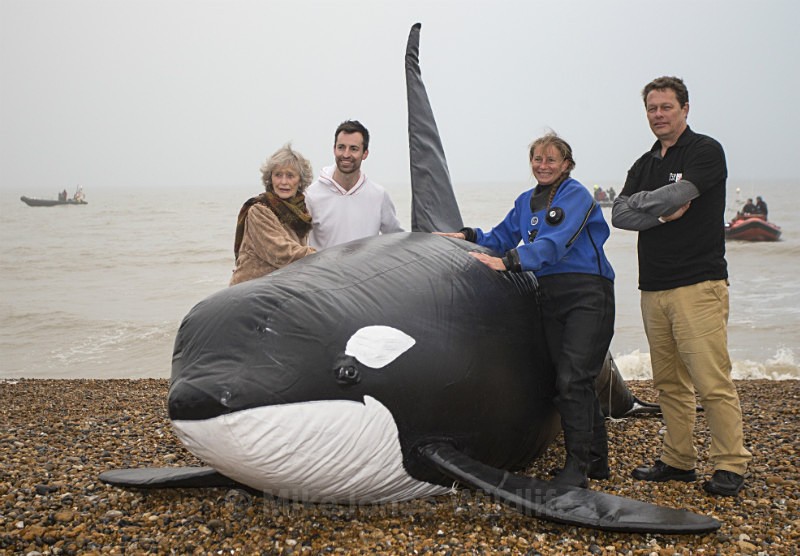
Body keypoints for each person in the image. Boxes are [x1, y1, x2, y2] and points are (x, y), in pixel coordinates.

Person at [437, 132, 615, 488]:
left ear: (566, 164)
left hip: (587, 294)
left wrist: (511, 262)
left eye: (551, 159)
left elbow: (555, 242)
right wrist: (467, 236)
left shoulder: (576, 195)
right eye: (537, 159)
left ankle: (577, 469)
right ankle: (596, 460)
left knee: (573, 379)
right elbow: (500, 237)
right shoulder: (525, 202)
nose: (543, 165)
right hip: (550, 295)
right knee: (566, 377)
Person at [611, 76, 751, 497]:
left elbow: (683, 193)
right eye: (652, 108)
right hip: (653, 286)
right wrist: (659, 212)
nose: (658, 115)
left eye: (666, 107)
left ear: (685, 109)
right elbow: (619, 214)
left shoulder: (705, 150)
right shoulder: (644, 163)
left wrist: (645, 201)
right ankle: (678, 460)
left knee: (711, 381)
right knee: (669, 383)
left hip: (699, 283)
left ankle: (730, 463)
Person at [305, 120, 404, 249]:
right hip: (322, 263)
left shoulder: (378, 196)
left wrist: (427, 241)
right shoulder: (311, 195)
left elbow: (398, 240)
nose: (346, 154)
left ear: (365, 153)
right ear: (334, 149)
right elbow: (296, 242)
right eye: (341, 147)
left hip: (365, 263)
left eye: (353, 149)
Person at [230, 144, 316, 286]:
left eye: (290, 176)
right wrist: (319, 257)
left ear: (300, 180)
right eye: (278, 175)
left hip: (277, 287)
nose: (283, 182)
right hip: (249, 289)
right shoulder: (259, 210)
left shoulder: (301, 212)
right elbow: (281, 253)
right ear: (270, 178)